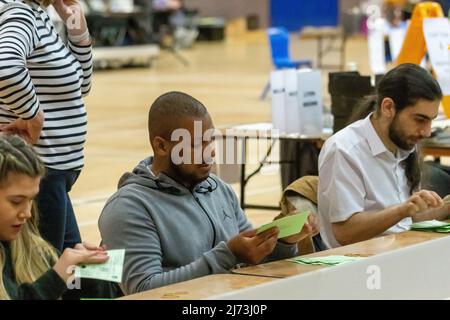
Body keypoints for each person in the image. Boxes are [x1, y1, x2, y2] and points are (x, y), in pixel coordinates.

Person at [99, 91, 318, 295]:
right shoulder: (128, 207)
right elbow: (143, 291)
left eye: (210, 140)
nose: (210, 151)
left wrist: (284, 242)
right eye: (195, 144)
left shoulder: (219, 188)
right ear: (161, 147)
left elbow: (253, 261)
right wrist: (229, 255)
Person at [318, 63, 450, 249]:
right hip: (358, 266)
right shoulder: (343, 150)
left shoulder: (404, 143)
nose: (427, 132)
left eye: (431, 121)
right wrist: (401, 210)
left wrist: (445, 207)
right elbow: (345, 233)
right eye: (420, 119)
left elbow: (407, 221)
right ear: (388, 108)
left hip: (401, 254)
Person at [0, 0, 93, 252]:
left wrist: (75, 24)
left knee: (70, 271)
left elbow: (81, 85)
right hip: (37, 175)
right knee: (45, 277)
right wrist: (33, 115)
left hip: (54, 176)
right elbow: (5, 68)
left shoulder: (39, 16)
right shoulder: (19, 13)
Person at [0, 134, 109, 300]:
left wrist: (87, 272)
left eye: (31, 201)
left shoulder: (34, 248)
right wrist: (58, 275)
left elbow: (75, 290)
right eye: (16, 201)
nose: (27, 213)